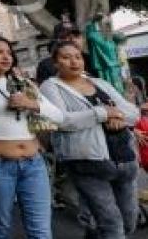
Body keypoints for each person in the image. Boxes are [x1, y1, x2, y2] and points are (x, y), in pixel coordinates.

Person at [0, 34, 64, 239]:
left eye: (8, 52)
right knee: (1, 227)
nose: (6, 57)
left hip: (34, 165)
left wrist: (31, 103)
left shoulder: (22, 82)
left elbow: (58, 116)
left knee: (41, 230)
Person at [40, 40, 140, 239]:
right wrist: (103, 113)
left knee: (129, 221)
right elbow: (62, 120)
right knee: (112, 224)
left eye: (77, 57)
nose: (73, 62)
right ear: (55, 62)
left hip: (124, 159)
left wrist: (118, 117)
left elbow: (132, 112)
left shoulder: (99, 83)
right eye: (66, 57)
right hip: (87, 163)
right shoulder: (50, 87)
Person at [36, 19, 85, 85]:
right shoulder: (47, 65)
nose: (73, 40)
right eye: (66, 37)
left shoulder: (92, 59)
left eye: (76, 36)